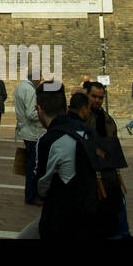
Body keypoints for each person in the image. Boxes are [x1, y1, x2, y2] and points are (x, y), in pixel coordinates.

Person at [35, 86, 101, 240]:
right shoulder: (88, 132)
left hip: (63, 219)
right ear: (65, 109)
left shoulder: (49, 140)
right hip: (94, 213)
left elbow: (42, 186)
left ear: (39, 109)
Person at [85, 80, 131, 238]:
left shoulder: (107, 119)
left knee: (118, 203)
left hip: (108, 171)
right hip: (91, 172)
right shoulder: (82, 118)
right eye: (94, 96)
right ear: (87, 95)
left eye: (100, 97)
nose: (97, 100)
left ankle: (122, 233)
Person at [14, 68, 44, 205]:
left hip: (25, 130)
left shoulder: (21, 87)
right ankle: (31, 195)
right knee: (34, 166)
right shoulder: (31, 90)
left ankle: (30, 194)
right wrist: (46, 115)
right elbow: (32, 114)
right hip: (32, 132)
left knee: (31, 164)